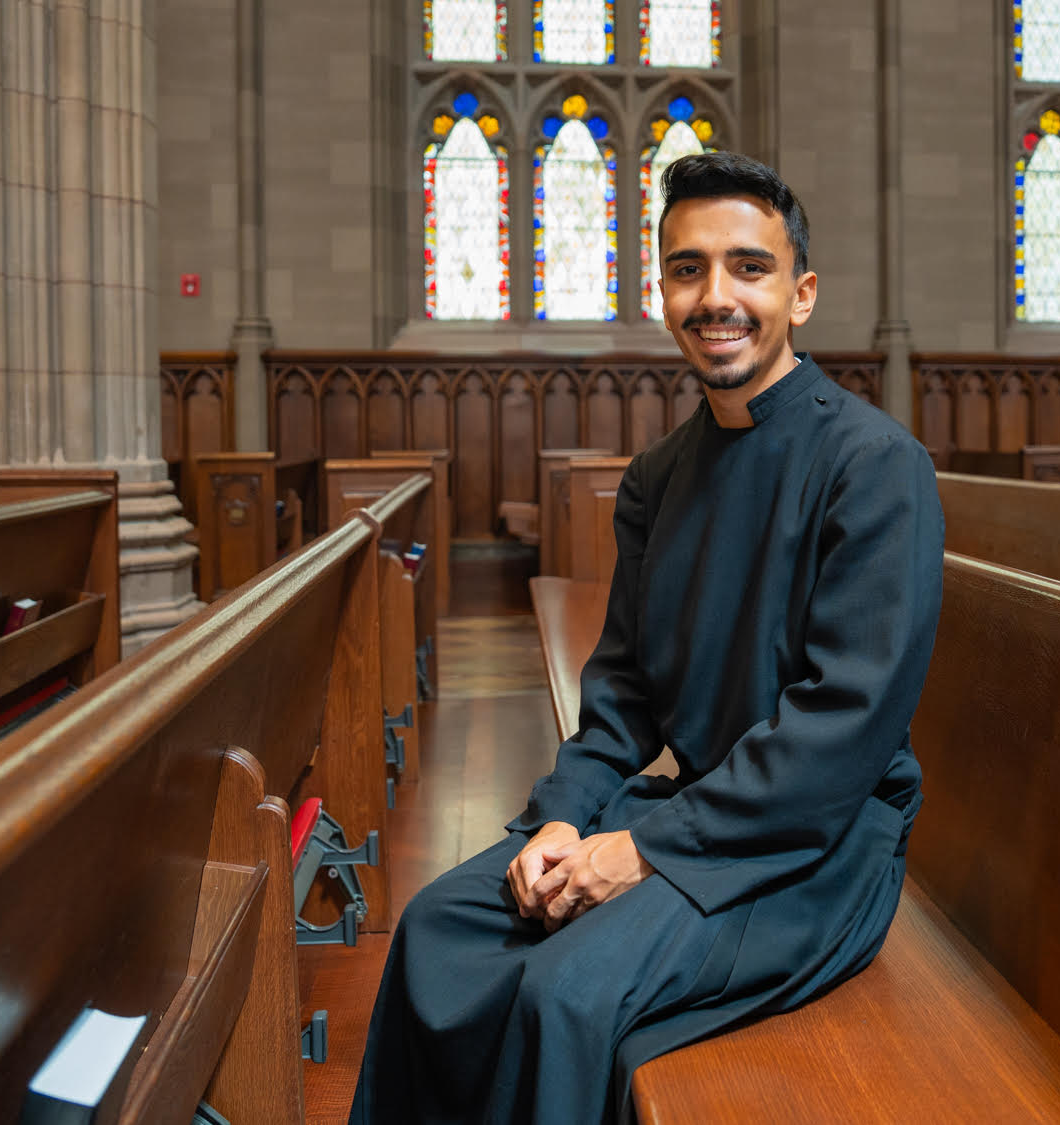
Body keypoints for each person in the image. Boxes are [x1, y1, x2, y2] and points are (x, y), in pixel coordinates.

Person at [348, 152, 945, 1125]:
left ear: (799, 296)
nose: (718, 296)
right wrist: (563, 819)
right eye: (687, 268)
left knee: (565, 993)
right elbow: (619, 697)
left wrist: (642, 850)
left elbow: (841, 730)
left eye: (748, 268)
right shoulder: (657, 477)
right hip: (698, 820)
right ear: (662, 292)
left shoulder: (876, 467)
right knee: (435, 932)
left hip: (816, 849)